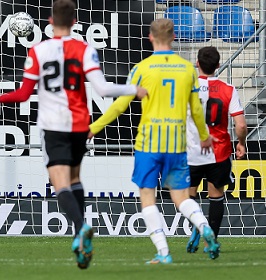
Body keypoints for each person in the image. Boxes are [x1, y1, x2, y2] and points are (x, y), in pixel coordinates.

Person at [0, 0, 147, 269]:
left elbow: (25, 94)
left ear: (51, 22)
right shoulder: (85, 49)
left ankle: (82, 226)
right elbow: (103, 89)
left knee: (59, 182)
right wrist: (133, 89)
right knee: (75, 178)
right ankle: (79, 236)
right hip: (79, 125)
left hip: (53, 125)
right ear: (75, 23)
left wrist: (0, 98)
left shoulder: (37, 51)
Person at [88, 18, 220, 264]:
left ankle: (163, 252)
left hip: (149, 143)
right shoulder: (187, 69)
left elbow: (120, 105)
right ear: (173, 38)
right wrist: (203, 136)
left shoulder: (142, 68)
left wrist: (94, 127)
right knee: (181, 197)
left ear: (150, 37)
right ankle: (204, 227)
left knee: (147, 196)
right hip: (177, 143)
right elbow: (196, 109)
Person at [186, 46, 247, 254]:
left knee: (187, 196)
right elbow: (240, 125)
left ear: (197, 63)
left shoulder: (188, 87)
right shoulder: (228, 89)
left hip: (191, 151)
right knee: (216, 195)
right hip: (218, 152)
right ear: (218, 65)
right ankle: (209, 241)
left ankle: (197, 225)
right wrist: (241, 143)